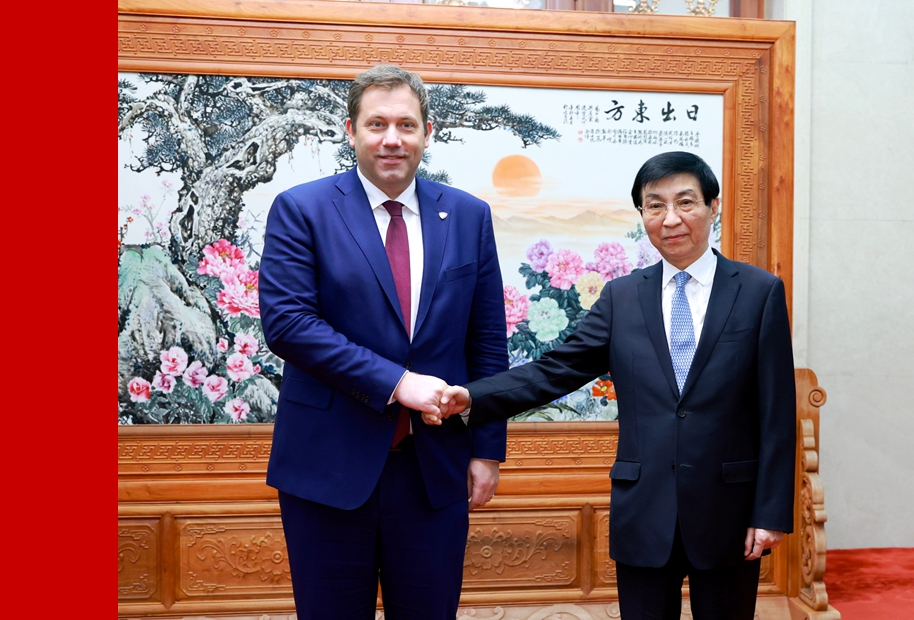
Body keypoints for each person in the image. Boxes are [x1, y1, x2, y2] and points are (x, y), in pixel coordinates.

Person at [432, 151, 796, 620]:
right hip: (643, 513)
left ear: (713, 206)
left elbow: (776, 414)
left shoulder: (759, 292)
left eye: (685, 202)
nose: (670, 219)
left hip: (729, 513)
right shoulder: (622, 297)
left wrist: (770, 514)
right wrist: (472, 397)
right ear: (642, 214)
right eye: (655, 205)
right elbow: (554, 371)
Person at [258, 64, 508, 620]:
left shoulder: (468, 216)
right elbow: (289, 324)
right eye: (377, 124)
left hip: (434, 469)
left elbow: (488, 340)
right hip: (327, 468)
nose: (392, 139)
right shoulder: (303, 209)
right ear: (351, 131)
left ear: (427, 133)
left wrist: (488, 450)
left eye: (406, 125)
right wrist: (399, 383)